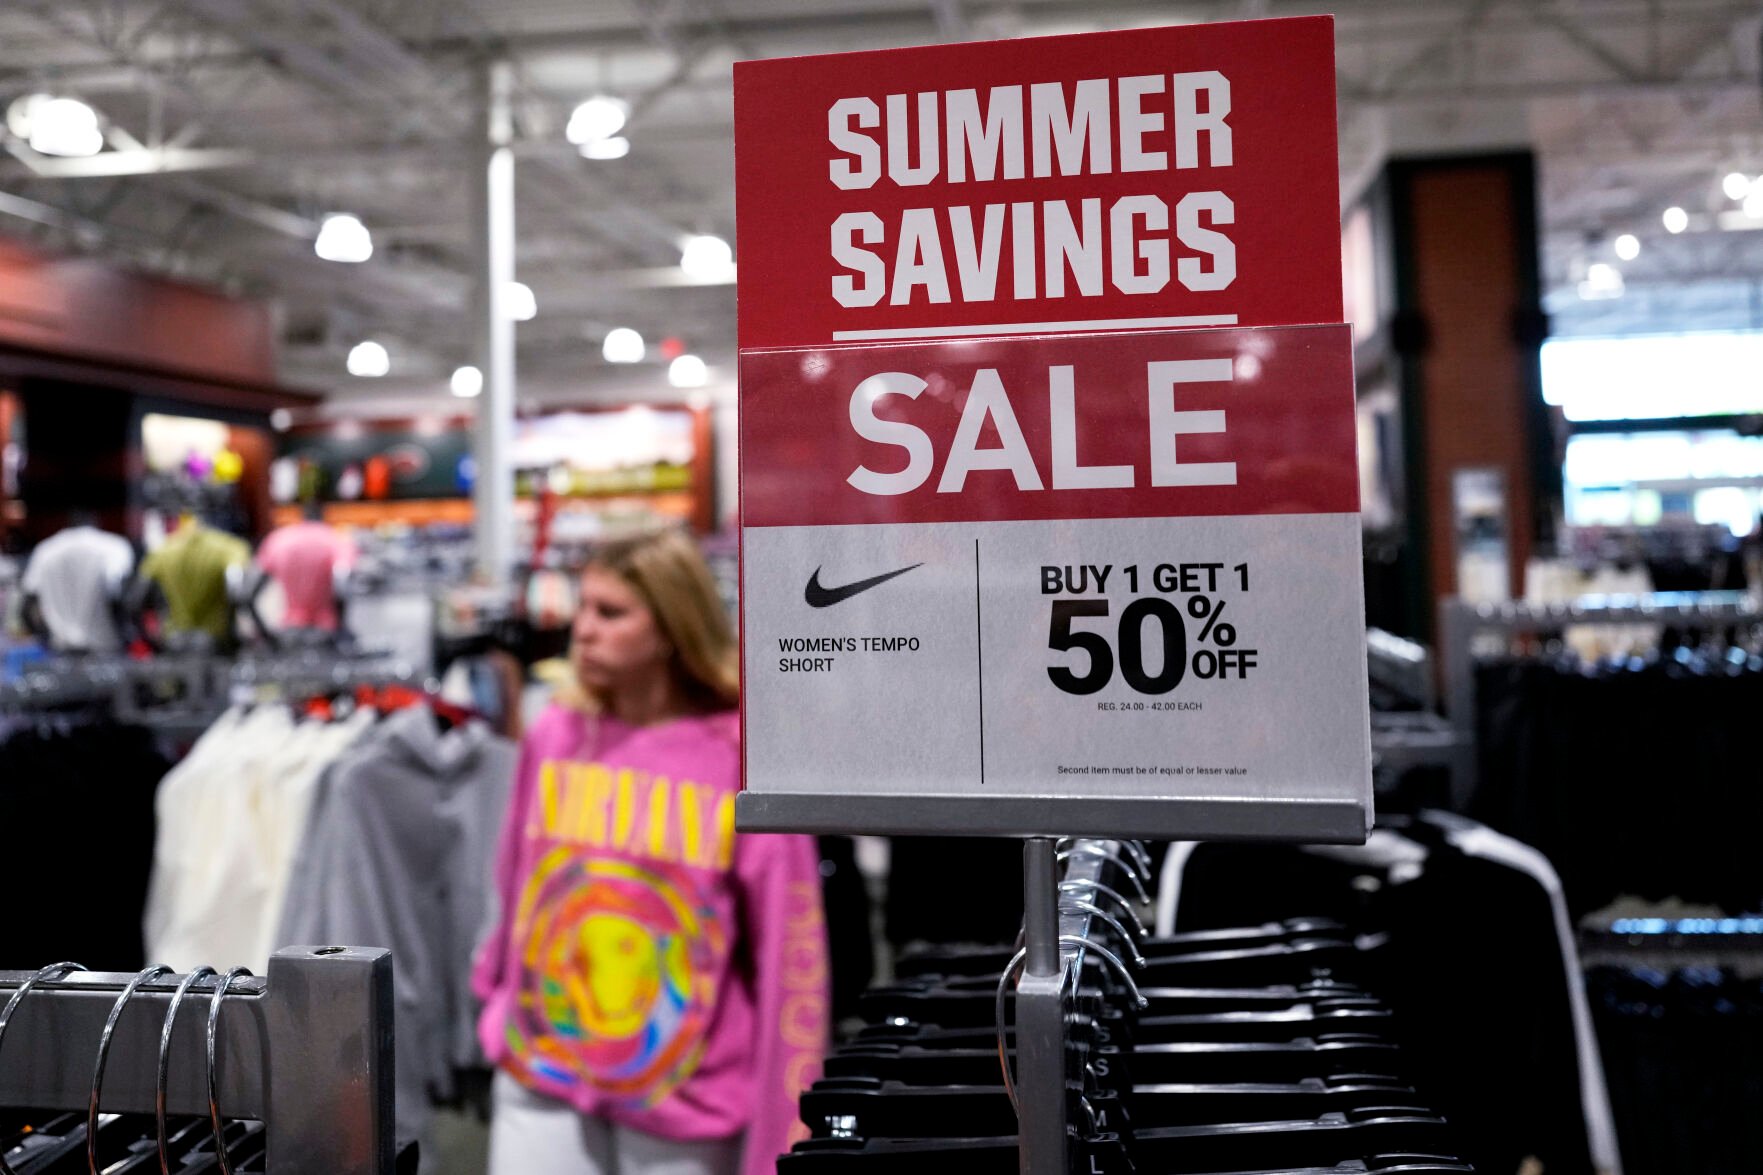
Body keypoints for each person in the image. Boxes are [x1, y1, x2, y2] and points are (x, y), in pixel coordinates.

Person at [473, 529, 829, 1175]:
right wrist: (494, 989)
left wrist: (786, 1122)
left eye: (610, 613)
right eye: (583, 608)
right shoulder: (555, 731)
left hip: (686, 1096)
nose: (582, 629)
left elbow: (789, 946)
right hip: (541, 1069)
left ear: (669, 627)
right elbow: (515, 877)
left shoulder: (739, 755)